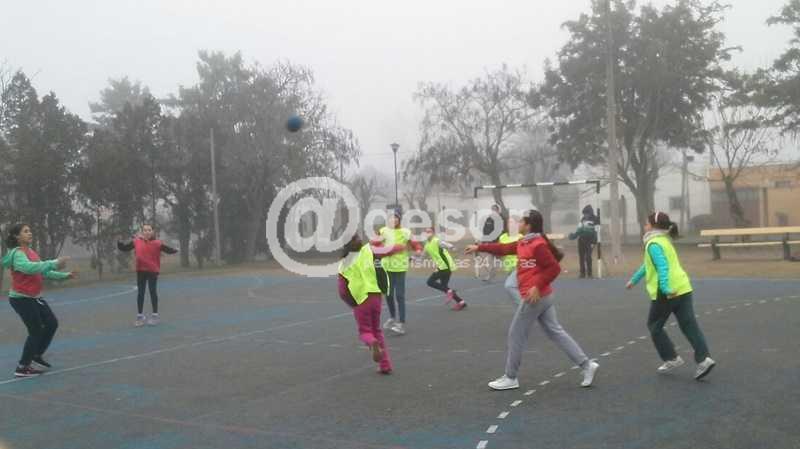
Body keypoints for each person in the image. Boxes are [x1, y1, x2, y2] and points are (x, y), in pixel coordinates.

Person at [466, 210, 599, 390]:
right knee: (555, 331)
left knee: (515, 334)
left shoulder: (538, 245)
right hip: (543, 296)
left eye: (521, 221)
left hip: (535, 297)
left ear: (528, 225)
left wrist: (536, 286)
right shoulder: (524, 242)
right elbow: (503, 249)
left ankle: (510, 377)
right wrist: (479, 247)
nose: (518, 223)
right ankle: (586, 365)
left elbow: (553, 268)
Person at [626, 211, 716, 380]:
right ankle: (704, 359)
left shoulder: (653, 243)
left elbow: (662, 267)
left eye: (646, 223)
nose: (644, 226)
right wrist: (634, 279)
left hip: (667, 292)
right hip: (683, 287)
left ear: (653, 226)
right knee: (689, 325)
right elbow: (648, 265)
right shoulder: (664, 240)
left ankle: (671, 358)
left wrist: (666, 288)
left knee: (654, 326)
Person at [2, 224, 76, 377]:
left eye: (30, 230)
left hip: (34, 297)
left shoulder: (31, 252)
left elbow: (43, 272)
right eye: (25, 231)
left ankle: (35, 355)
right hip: (21, 299)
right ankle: (22, 367)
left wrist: (65, 275)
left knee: (51, 323)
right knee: (35, 330)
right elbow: (29, 268)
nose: (30, 233)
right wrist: (54, 262)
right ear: (17, 236)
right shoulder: (17, 253)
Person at [338, 234, 404, 374]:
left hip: (360, 299)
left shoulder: (343, 264)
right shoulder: (369, 250)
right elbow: (388, 250)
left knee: (365, 332)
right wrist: (400, 247)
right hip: (375, 296)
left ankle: (372, 342)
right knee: (377, 330)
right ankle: (385, 365)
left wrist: (352, 303)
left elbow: (342, 291)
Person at [117, 224, 178, 327]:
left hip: (152, 271)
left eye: (149, 230)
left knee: (152, 292)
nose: (147, 232)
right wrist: (119, 242)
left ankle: (155, 316)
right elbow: (125, 248)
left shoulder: (157, 243)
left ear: (152, 232)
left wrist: (175, 250)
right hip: (140, 271)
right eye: (145, 230)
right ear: (142, 232)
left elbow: (167, 249)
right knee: (140, 293)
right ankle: (140, 316)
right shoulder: (136, 241)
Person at [378, 210, 422, 335]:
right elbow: (375, 245)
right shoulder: (383, 231)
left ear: (399, 219)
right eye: (391, 217)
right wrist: (383, 251)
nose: (393, 219)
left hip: (400, 267)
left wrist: (417, 252)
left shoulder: (406, 232)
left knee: (399, 295)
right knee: (388, 294)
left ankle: (401, 324)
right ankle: (392, 317)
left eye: (396, 217)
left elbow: (416, 245)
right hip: (387, 267)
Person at [421, 227, 466, 311]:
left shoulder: (437, 241)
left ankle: (451, 292)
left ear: (433, 233)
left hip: (446, 266)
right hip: (442, 266)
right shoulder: (426, 245)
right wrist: (412, 258)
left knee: (430, 282)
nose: (427, 233)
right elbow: (422, 257)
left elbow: (446, 245)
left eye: (429, 231)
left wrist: (452, 247)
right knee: (444, 287)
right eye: (426, 232)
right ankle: (461, 302)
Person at [568, 205, 598, 279]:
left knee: (588, 257)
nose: (585, 215)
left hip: (590, 241)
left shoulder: (595, 219)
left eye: (586, 214)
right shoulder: (582, 219)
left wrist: (594, 241)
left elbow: (596, 231)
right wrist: (573, 236)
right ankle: (582, 273)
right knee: (581, 257)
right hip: (581, 241)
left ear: (590, 213)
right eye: (584, 214)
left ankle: (590, 274)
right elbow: (579, 230)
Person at [499, 216, 522, 305]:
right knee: (514, 289)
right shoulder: (502, 237)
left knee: (510, 286)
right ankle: (524, 307)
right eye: (508, 222)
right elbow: (500, 250)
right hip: (508, 267)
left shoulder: (520, 237)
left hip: (519, 266)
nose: (510, 224)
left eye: (512, 222)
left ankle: (524, 307)